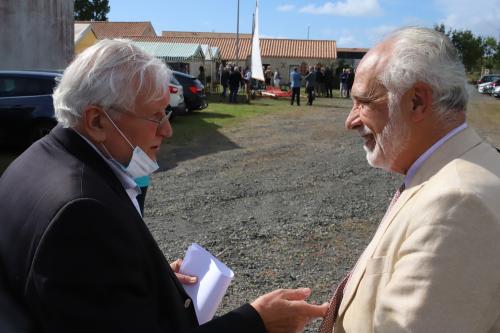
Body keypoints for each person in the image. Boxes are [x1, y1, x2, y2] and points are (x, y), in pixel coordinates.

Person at [0, 39, 328, 333]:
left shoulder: (36, 160)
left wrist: (149, 278)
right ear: (98, 121)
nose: (168, 130)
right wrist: (257, 322)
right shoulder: (81, 211)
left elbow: (90, 294)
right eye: (156, 116)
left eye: (167, 113)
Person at [319, 26, 500, 333]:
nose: (350, 121)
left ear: (417, 101)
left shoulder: (457, 203)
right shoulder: (454, 170)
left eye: (363, 102)